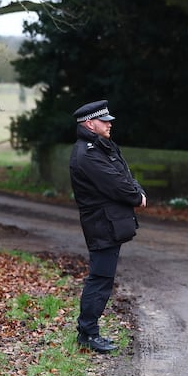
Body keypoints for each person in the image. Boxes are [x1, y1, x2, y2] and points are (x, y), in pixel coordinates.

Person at [69, 100, 147, 353]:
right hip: (101, 224)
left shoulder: (101, 147)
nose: (110, 123)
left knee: (103, 278)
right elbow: (115, 183)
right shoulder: (88, 154)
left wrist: (138, 190)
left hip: (108, 222)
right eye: (105, 121)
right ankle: (87, 333)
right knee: (100, 279)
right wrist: (136, 197)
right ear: (90, 124)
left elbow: (123, 173)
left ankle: (89, 331)